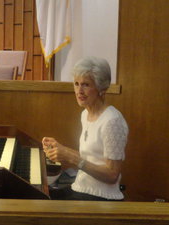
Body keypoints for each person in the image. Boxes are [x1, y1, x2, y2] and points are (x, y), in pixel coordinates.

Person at [42, 56, 128, 201]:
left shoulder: (112, 121)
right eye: (76, 84)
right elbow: (92, 157)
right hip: (80, 188)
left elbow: (112, 175)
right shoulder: (85, 114)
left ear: (101, 88)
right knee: (37, 197)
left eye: (86, 85)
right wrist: (61, 149)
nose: (79, 91)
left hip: (101, 198)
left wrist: (70, 156)